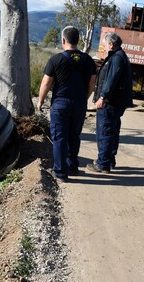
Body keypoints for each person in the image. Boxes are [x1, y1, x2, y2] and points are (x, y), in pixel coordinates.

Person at [37, 26, 97, 182]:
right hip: (79, 104)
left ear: (63, 40)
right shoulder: (89, 61)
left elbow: (46, 83)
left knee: (60, 138)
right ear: (78, 40)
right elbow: (92, 85)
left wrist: (40, 100)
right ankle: (72, 167)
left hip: (60, 103)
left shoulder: (56, 59)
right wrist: (83, 98)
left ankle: (61, 173)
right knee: (74, 136)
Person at [86, 32, 133, 173]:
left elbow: (111, 80)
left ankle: (103, 164)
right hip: (115, 102)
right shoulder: (119, 56)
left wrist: (102, 97)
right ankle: (109, 160)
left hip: (110, 103)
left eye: (105, 44)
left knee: (105, 131)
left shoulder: (117, 58)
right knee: (111, 131)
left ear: (111, 44)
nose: (104, 47)